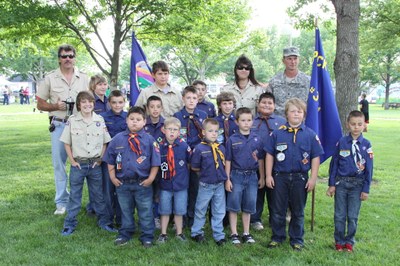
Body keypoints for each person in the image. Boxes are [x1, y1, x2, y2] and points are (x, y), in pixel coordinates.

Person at [36, 44, 89, 215]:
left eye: (70, 56)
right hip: (59, 124)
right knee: (59, 164)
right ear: (59, 58)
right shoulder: (50, 78)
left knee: (83, 162)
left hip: (80, 126)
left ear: (75, 58)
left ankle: (82, 200)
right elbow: (40, 103)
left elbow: (92, 100)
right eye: (64, 56)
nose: (68, 59)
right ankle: (61, 202)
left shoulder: (84, 78)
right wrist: (54, 106)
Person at [265, 98, 324, 251]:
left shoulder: (310, 135)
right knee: (278, 210)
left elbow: (315, 157)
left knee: (298, 211)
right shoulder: (277, 134)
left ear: (304, 114)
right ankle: (277, 237)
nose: (296, 114)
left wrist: (313, 178)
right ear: (286, 114)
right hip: (280, 177)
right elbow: (270, 155)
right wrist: (268, 175)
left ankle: (297, 239)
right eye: (293, 111)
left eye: (299, 111)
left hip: (300, 178)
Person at [59, 91, 117, 236]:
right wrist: (72, 161)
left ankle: (104, 222)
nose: (87, 104)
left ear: (94, 103)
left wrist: (100, 159)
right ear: (79, 104)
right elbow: (66, 143)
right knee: (75, 195)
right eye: (84, 102)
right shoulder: (72, 120)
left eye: (90, 102)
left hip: (94, 165)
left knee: (98, 195)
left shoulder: (99, 120)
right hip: (78, 164)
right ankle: (70, 223)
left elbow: (105, 141)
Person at [103, 106, 161, 248]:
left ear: (144, 122)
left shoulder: (149, 140)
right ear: (126, 120)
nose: (135, 122)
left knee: (146, 211)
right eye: (132, 119)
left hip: (143, 183)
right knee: (125, 211)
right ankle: (125, 233)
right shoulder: (117, 139)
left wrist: (151, 179)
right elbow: (110, 160)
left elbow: (155, 162)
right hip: (123, 184)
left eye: (138, 120)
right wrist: (112, 177)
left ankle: (147, 235)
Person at [326, 110, 373, 252]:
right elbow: (334, 164)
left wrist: (366, 189)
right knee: (339, 215)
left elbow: (369, 169)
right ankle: (339, 241)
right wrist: (331, 184)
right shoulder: (341, 142)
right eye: (353, 124)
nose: (356, 127)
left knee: (352, 216)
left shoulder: (366, 144)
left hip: (357, 185)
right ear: (348, 125)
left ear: (364, 125)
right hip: (341, 184)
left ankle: (349, 242)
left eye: (359, 124)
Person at [225, 107, 265, 245]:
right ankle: (234, 233)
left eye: (249, 120)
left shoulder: (257, 139)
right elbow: (228, 160)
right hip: (236, 175)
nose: (246, 123)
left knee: (249, 204)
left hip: (252, 176)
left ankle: (246, 232)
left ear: (252, 121)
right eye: (243, 120)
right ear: (237, 122)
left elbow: (260, 160)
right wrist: (227, 179)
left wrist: (262, 177)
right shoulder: (232, 139)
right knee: (234, 204)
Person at [250, 92, 286, 230]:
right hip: (255, 163)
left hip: (275, 164)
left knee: (274, 192)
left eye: (270, 103)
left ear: (274, 106)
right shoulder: (251, 121)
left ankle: (275, 217)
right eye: (264, 102)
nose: (266, 105)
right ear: (258, 104)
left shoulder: (281, 122)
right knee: (257, 191)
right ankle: (255, 219)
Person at [174, 85, 207, 227]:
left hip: (198, 157)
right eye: (188, 98)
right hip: (181, 156)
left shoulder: (203, 116)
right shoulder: (177, 117)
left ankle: (193, 217)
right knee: (181, 187)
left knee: (196, 188)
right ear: (183, 99)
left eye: (194, 98)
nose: (191, 101)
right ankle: (178, 218)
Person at [190, 118, 227, 246]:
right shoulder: (199, 148)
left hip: (219, 185)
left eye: (216, 131)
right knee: (201, 209)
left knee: (219, 210)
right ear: (203, 132)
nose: (214, 134)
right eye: (210, 131)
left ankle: (218, 234)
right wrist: (204, 175)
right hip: (205, 184)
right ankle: (196, 232)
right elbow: (194, 166)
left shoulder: (221, 147)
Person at [157, 117, 191, 243]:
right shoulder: (159, 147)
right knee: (164, 210)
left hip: (180, 184)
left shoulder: (183, 146)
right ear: (163, 130)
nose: (172, 132)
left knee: (179, 210)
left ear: (179, 132)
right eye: (169, 129)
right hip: (165, 184)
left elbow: (189, 162)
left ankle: (179, 233)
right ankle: (163, 233)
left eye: (175, 130)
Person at [99, 90, 127, 227]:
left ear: (124, 102)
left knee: (121, 189)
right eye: (114, 103)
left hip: (124, 160)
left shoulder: (128, 117)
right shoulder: (101, 117)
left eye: (120, 102)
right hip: (107, 159)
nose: (117, 105)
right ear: (109, 103)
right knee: (108, 190)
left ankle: (121, 218)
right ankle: (107, 219)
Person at [266, 47, 311, 116]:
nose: (293, 62)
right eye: (289, 59)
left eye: (295, 59)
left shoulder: (308, 81)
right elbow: (268, 103)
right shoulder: (274, 81)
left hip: (300, 122)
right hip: (279, 123)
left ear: (299, 60)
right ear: (283, 60)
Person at [144, 95, 166, 229]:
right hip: (146, 166)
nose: (155, 110)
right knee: (147, 193)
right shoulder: (143, 124)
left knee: (159, 193)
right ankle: (147, 217)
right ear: (147, 109)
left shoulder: (166, 125)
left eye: (158, 107)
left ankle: (157, 217)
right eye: (152, 107)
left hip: (162, 166)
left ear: (162, 108)